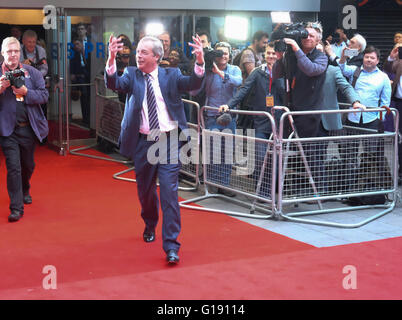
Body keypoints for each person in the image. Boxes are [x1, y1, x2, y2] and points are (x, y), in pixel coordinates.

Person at [105, 34, 205, 264]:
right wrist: (111, 58)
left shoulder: (172, 75)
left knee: (170, 193)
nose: (138, 55)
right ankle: (150, 222)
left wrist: (200, 61)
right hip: (143, 142)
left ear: (157, 57)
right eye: (138, 51)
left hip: (169, 141)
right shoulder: (131, 75)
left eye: (144, 52)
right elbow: (114, 83)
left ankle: (171, 245)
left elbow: (194, 85)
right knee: (145, 191)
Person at [221, 42, 285, 199]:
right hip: (261, 122)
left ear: (279, 54)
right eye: (268, 53)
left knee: (276, 160)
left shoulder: (285, 73)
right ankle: (263, 193)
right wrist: (229, 105)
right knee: (260, 156)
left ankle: (275, 190)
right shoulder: (257, 72)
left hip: (280, 123)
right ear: (264, 55)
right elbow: (243, 90)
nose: (271, 56)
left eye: (274, 53)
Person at [0, 37, 49, 223]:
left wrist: (26, 93)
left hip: (28, 127)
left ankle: (25, 187)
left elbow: (44, 96)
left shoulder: (32, 72)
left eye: (15, 51)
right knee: (13, 167)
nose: (12, 54)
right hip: (7, 130)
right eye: (9, 51)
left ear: (19, 53)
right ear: (2, 53)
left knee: (28, 165)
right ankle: (16, 207)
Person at [191, 41, 242, 197]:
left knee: (227, 152)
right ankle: (212, 182)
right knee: (213, 152)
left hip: (229, 117)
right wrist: (201, 70)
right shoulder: (208, 71)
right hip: (211, 116)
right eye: (219, 53)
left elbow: (238, 82)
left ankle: (224, 184)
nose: (223, 56)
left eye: (226, 53)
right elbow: (194, 91)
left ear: (230, 55)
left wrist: (220, 73)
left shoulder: (235, 69)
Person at [273, 21, 328, 138]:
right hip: (290, 109)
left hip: (309, 112)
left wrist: (296, 48)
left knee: (305, 149)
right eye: (305, 35)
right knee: (290, 148)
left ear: (318, 41)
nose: (307, 38)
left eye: (312, 36)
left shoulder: (321, 57)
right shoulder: (292, 56)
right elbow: (277, 74)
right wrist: (279, 59)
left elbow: (310, 69)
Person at [383, 39, 402, 182]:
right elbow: (388, 69)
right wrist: (392, 56)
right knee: (400, 138)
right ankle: (400, 171)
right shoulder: (399, 63)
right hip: (399, 103)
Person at [70, 38, 90, 126]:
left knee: (89, 97)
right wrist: (73, 74)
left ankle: (89, 118)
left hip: (89, 77)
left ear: (82, 45)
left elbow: (89, 65)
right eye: (75, 45)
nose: (76, 46)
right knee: (84, 97)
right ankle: (85, 119)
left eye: (78, 44)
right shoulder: (74, 55)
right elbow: (72, 66)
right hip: (80, 78)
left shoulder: (88, 54)